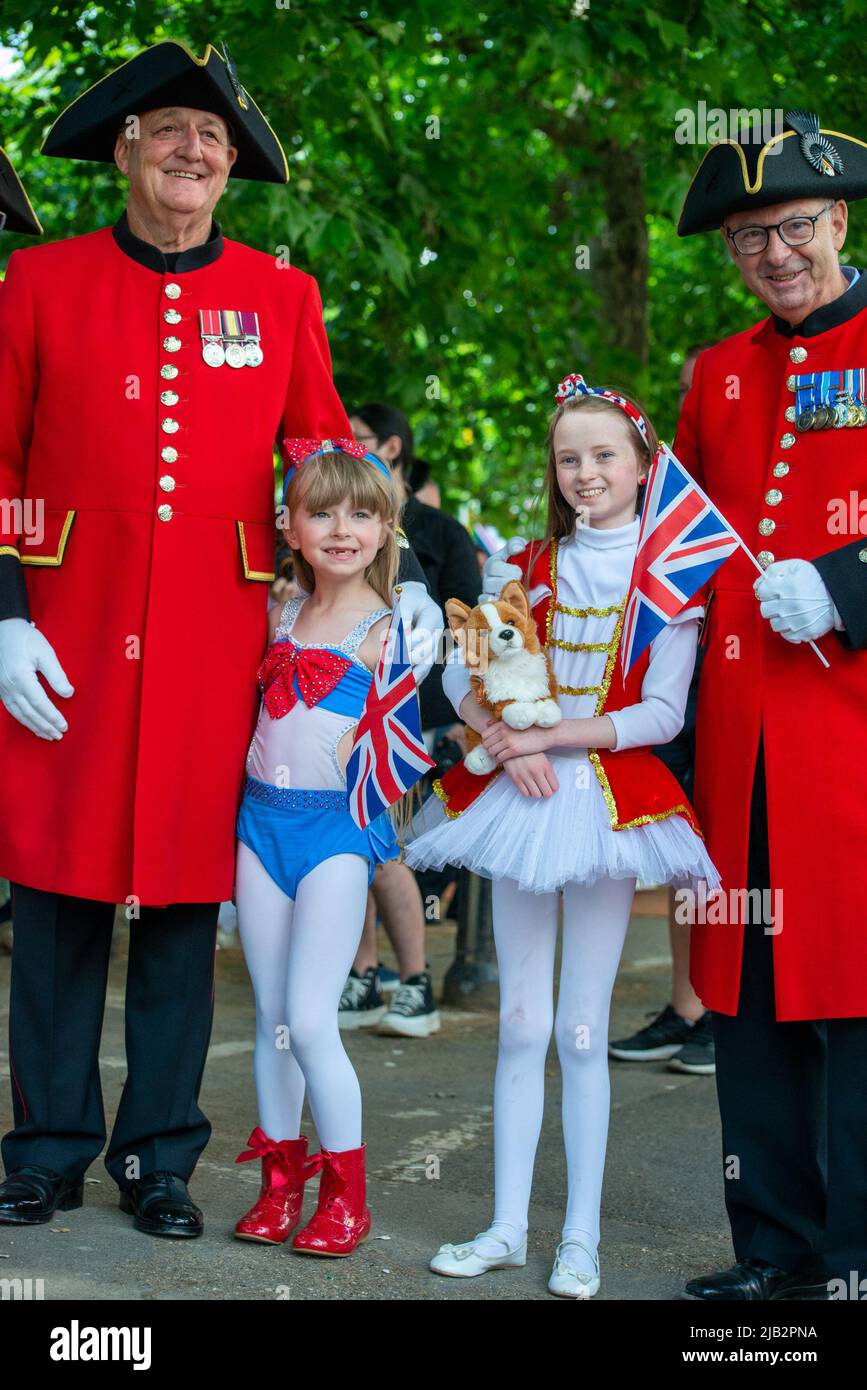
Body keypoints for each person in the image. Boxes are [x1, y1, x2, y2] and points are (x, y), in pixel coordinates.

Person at [0, 40, 440, 1239]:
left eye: (216, 137)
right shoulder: (37, 282)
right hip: (67, 639)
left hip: (219, 652)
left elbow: (326, 470)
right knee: (55, 896)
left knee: (189, 910)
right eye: (172, 129)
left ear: (232, 167)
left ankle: (159, 1157)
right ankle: (43, 1149)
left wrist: (377, 609)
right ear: (125, 148)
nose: (195, 149)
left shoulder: (281, 295)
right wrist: (2, 613)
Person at [404, 374, 721, 1297]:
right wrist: (498, 737)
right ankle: (505, 1227)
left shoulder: (669, 579)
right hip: (519, 798)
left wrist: (545, 736)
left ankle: (577, 1236)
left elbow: (661, 714)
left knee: (581, 1031)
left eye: (603, 455)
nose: (584, 472)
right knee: (517, 1021)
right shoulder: (524, 569)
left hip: (605, 804)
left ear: (642, 463)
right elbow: (462, 673)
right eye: (568, 457)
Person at [674, 109, 867, 1300]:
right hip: (740, 748)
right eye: (749, 236)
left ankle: (857, 1257)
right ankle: (777, 1248)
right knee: (748, 1011)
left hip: (850, 745)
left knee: (853, 1010)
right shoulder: (717, 371)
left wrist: (850, 583)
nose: (775, 251)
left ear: (840, 217)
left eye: (793, 224)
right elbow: (680, 550)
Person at [232, 440, 423, 1254]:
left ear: (385, 529)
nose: (340, 529)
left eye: (360, 514)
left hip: (335, 836)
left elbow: (448, 703)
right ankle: (279, 1185)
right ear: (290, 526)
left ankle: (347, 1195)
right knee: (273, 1017)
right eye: (321, 512)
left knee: (312, 1019)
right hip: (258, 828)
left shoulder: (394, 627)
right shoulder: (274, 613)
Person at [338, 403, 480, 1038]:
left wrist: (455, 719)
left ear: (390, 447)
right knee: (345, 849)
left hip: (414, 710)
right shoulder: (330, 516)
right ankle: (364, 974)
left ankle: (416, 980)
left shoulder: (439, 533)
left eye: (357, 439)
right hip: (338, 707)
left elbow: (467, 630)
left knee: (388, 849)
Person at [608, 341, 718, 1077]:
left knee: (720, 862)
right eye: (683, 389)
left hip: (733, 673)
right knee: (687, 859)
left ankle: (713, 1010)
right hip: (670, 685)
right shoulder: (662, 484)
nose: (693, 399)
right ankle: (688, 1006)